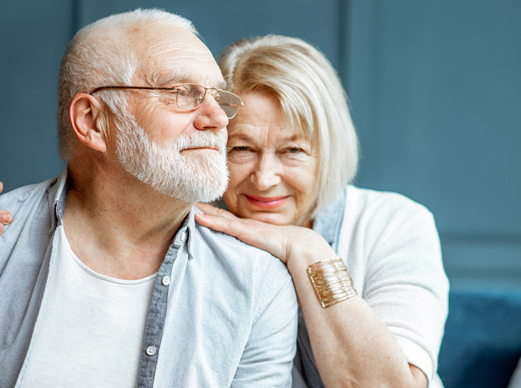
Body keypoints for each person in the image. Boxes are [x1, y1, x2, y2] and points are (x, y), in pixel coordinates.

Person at [0, 10, 297, 387]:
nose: (218, 119)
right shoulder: (4, 238)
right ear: (93, 122)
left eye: (219, 97)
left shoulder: (257, 285)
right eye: (181, 93)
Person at [195, 35, 449, 387]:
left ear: (328, 150)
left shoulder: (395, 224)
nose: (265, 179)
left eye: (293, 151)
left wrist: (307, 250)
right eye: (242, 148)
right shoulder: (194, 230)